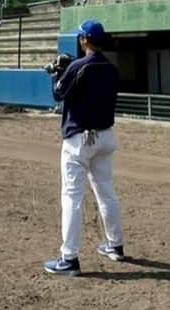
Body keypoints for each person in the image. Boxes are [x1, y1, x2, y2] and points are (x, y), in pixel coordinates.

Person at [43, 19, 125, 277]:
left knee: (72, 198)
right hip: (105, 137)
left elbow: (58, 93)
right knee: (106, 193)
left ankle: (69, 258)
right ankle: (115, 245)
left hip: (79, 140)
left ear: (84, 39)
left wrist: (57, 71)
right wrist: (67, 70)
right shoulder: (111, 68)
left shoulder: (78, 66)